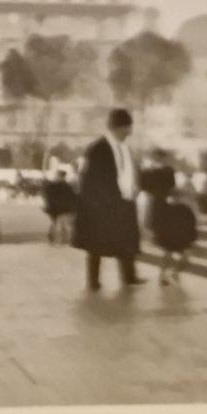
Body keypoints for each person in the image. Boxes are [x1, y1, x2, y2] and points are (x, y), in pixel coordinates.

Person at [74, 108, 145, 291]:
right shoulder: (98, 149)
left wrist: (135, 187)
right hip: (103, 205)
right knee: (97, 243)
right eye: (128, 127)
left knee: (127, 240)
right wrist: (101, 201)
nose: (130, 131)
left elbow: (128, 172)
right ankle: (93, 281)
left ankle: (129, 276)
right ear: (120, 127)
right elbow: (90, 179)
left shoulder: (125, 148)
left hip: (125, 201)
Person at [154, 188, 200, 285]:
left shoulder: (166, 209)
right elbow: (192, 224)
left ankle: (167, 274)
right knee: (182, 256)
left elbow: (159, 224)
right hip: (179, 237)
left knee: (168, 255)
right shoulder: (185, 209)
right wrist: (193, 237)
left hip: (173, 237)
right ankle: (170, 273)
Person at [42, 169, 78, 246]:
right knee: (61, 224)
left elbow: (48, 197)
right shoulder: (67, 186)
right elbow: (73, 197)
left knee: (56, 223)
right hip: (62, 208)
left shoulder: (52, 186)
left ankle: (55, 239)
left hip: (56, 208)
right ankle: (62, 239)